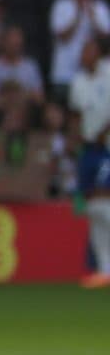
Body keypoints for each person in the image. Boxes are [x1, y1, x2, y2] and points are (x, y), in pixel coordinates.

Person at [71, 34, 110, 287]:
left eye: (88, 50)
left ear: (99, 53)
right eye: (82, 51)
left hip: (107, 147)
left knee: (103, 197)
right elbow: (76, 115)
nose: (84, 55)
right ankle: (105, 269)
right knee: (92, 205)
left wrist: (102, 133)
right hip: (88, 149)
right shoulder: (78, 82)